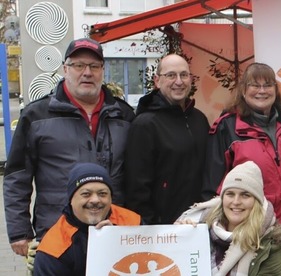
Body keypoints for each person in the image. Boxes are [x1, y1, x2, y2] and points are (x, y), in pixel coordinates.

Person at [3, 38, 135, 264]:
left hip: (113, 228)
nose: (87, 73)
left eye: (94, 66)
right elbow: (17, 175)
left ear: (103, 70)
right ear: (65, 69)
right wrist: (19, 231)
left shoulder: (123, 114)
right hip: (57, 230)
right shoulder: (37, 115)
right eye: (78, 65)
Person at [203, 62, 281, 276]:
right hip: (246, 235)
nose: (261, 91)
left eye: (268, 85)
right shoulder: (227, 128)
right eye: (254, 85)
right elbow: (214, 183)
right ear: (243, 90)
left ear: (275, 91)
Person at [124, 54, 209, 224]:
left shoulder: (199, 119)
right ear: (157, 81)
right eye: (171, 75)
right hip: (162, 228)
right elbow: (136, 187)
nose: (179, 81)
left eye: (184, 75)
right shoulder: (145, 124)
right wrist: (150, 225)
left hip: (198, 223)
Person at [177, 161, 281, 276]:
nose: (236, 202)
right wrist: (183, 238)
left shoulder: (270, 249)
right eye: (230, 194)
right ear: (222, 199)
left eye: (245, 195)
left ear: (256, 202)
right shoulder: (202, 227)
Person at [33, 163, 142, 275]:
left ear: (110, 198)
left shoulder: (133, 223)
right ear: (71, 199)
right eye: (86, 194)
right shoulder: (54, 249)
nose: (95, 200)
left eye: (102, 194)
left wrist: (117, 241)